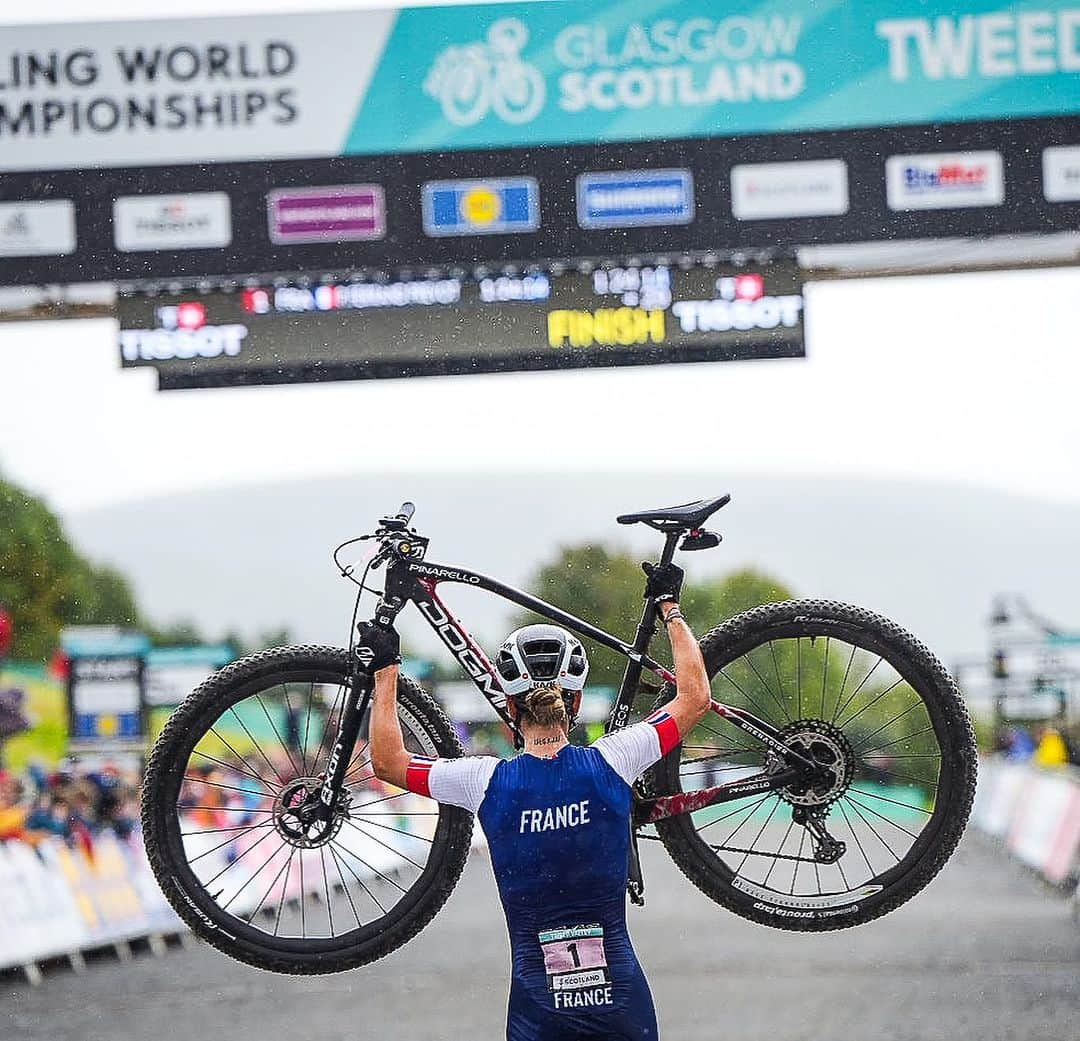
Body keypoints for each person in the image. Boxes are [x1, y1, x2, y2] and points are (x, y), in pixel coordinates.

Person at [366, 562, 710, 1041]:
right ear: (574, 704)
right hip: (621, 1003)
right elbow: (694, 697)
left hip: (537, 1012)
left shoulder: (482, 781)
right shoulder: (615, 759)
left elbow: (388, 762)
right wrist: (669, 608)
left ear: (509, 708)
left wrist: (386, 672)